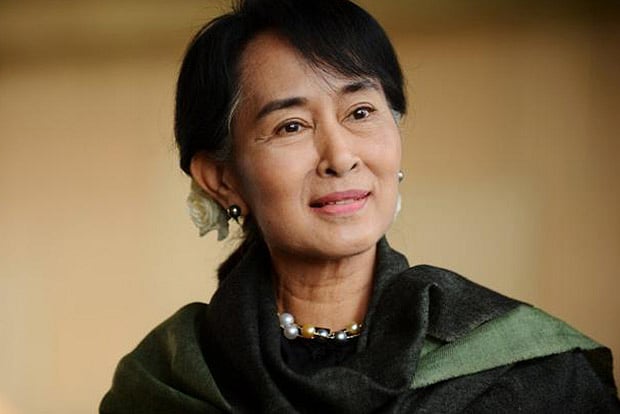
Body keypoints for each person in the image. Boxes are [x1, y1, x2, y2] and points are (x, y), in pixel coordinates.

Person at [100, 0, 620, 412]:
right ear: (222, 179)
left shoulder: (529, 372)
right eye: (291, 126)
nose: (341, 156)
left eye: (361, 112)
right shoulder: (168, 383)